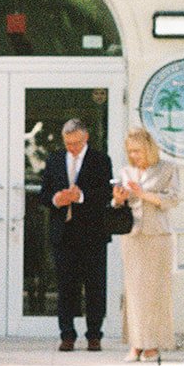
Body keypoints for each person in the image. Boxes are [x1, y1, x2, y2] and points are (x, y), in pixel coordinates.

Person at [40, 117, 114, 352]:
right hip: (64, 233)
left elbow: (105, 194)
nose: (71, 148)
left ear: (86, 138)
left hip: (92, 234)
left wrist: (80, 197)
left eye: (76, 143)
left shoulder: (100, 160)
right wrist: (56, 199)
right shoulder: (54, 160)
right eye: (68, 143)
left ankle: (94, 335)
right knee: (65, 288)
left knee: (94, 287)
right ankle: (67, 335)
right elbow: (43, 194)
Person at [111, 127, 182, 361]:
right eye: (130, 152)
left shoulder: (167, 169)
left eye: (138, 151)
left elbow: (172, 200)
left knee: (156, 291)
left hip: (157, 237)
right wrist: (118, 199)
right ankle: (136, 343)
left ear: (149, 149)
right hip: (132, 237)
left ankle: (153, 344)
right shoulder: (126, 171)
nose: (134, 156)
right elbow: (119, 205)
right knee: (134, 292)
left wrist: (143, 194)